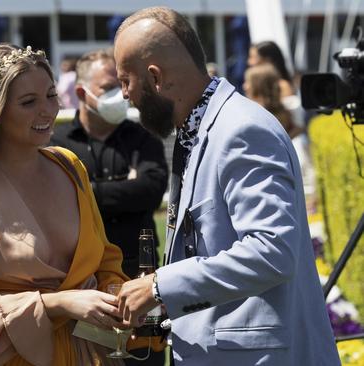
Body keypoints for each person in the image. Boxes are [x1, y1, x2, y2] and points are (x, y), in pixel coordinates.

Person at [113, 7, 340, 365]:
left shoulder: (240, 130)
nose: (124, 94)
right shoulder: (201, 129)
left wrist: (159, 287)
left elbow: (272, 251)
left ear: (156, 77)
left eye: (126, 80)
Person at [0, 44, 145, 365]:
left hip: (96, 354)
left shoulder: (69, 165)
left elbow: (104, 260)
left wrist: (127, 299)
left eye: (50, 95)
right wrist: (57, 305)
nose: (47, 110)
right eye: (28, 102)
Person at [50, 49, 168, 279]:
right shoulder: (57, 143)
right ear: (82, 93)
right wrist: (127, 187)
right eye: (107, 87)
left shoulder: (143, 137)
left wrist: (86, 192)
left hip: (138, 270)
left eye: (122, 84)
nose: (120, 94)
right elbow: (56, 201)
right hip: (78, 275)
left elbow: (152, 192)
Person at [243, 63, 316, 211]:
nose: (244, 87)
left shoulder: (260, 123)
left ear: (258, 88)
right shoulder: (284, 122)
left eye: (248, 83)